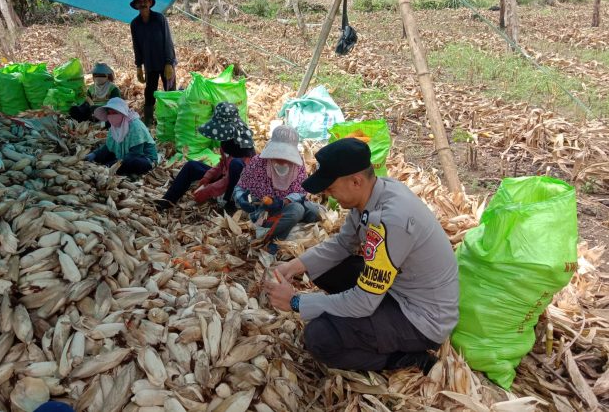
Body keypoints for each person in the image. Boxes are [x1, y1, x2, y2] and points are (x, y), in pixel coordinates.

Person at [264, 138, 459, 373]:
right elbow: (342, 244)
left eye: (331, 188)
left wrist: (296, 302)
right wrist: (294, 266)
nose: (329, 195)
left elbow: (365, 302)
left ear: (355, 181)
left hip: (420, 318)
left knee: (320, 337)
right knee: (326, 268)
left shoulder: (392, 220)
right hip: (396, 288)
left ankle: (406, 359)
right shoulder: (372, 195)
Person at [233, 125, 321, 253]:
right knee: (297, 210)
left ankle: (284, 223)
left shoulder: (298, 164)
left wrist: (282, 202)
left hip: (286, 204)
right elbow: (240, 187)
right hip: (264, 211)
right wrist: (241, 199)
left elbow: (301, 192)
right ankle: (271, 240)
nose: (282, 158)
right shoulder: (258, 162)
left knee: (313, 211)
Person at [156, 102, 255, 213]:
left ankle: (229, 205)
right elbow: (222, 164)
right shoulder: (227, 138)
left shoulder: (244, 146)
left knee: (235, 165)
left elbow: (230, 177)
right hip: (225, 176)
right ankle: (167, 200)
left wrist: (208, 190)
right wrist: (208, 177)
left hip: (239, 185)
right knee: (191, 166)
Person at [130, 0, 177, 126]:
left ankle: (172, 119)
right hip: (150, 64)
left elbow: (168, 41)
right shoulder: (135, 24)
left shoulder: (159, 19)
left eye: (145, 0)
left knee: (170, 91)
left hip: (165, 62)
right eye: (139, 2)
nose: (143, 4)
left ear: (150, 2)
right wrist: (139, 66)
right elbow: (136, 46)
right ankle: (149, 120)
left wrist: (169, 62)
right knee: (150, 92)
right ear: (136, 5)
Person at [85, 98, 157, 176]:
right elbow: (109, 147)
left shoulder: (135, 125)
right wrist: (94, 154)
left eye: (114, 112)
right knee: (104, 156)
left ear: (122, 113)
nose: (111, 116)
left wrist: (111, 165)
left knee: (132, 162)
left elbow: (135, 153)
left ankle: (116, 169)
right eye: (109, 113)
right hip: (124, 156)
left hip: (144, 158)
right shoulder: (114, 127)